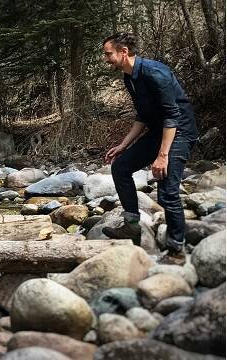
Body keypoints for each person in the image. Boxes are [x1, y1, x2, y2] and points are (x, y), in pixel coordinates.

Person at [101, 33, 198, 265]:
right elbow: (143, 116)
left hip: (179, 132)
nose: (105, 59)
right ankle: (132, 226)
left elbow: (172, 115)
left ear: (123, 52)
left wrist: (163, 155)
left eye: (108, 54)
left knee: (167, 191)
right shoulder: (129, 77)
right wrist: (124, 145)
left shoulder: (155, 73)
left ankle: (176, 251)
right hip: (158, 131)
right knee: (121, 167)